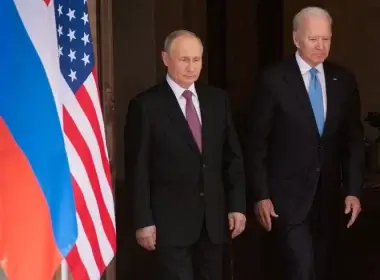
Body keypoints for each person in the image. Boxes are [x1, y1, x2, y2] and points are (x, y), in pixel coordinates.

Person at [245, 7, 364, 280]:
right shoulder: (273, 79)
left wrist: (353, 190)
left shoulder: (343, 80)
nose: (321, 46)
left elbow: (353, 140)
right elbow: (257, 142)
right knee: (301, 267)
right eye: (313, 39)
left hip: (329, 198)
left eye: (326, 39)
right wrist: (261, 194)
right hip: (286, 198)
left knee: (322, 267)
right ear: (296, 38)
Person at [124, 29, 246, 280]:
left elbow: (232, 158)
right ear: (166, 58)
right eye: (184, 60)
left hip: (213, 222)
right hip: (169, 224)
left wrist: (237, 206)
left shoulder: (217, 100)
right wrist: (143, 220)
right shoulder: (146, 106)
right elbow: (138, 168)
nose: (191, 67)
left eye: (196, 60)